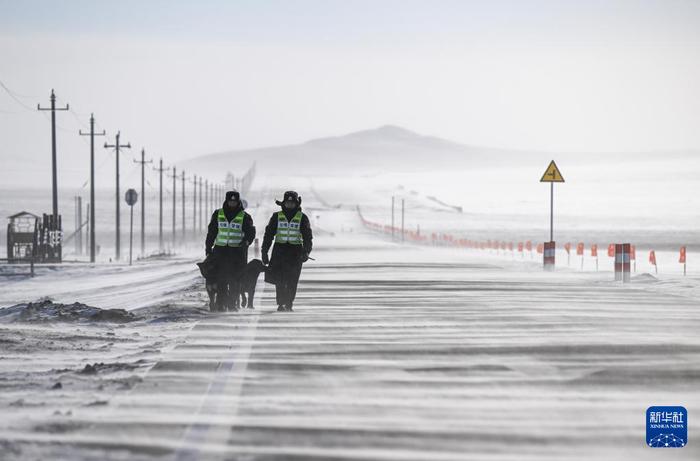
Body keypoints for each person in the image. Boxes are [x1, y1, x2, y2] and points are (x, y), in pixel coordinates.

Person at [262, 191, 313, 311]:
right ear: (283, 203)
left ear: (296, 203)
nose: (289, 205)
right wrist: (264, 251)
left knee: (292, 280)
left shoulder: (302, 218)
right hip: (279, 251)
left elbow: (308, 237)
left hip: (296, 253)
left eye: (292, 202)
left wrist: (306, 252)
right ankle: (281, 303)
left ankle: (289, 302)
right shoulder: (276, 217)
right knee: (279, 279)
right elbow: (268, 235)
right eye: (288, 202)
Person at [205, 190, 255, 311]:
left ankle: (232, 304)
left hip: (237, 252)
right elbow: (212, 232)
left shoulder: (245, 216)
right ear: (226, 201)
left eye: (234, 201)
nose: (232, 203)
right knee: (221, 279)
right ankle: (221, 304)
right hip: (220, 251)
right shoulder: (218, 214)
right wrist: (208, 247)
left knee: (235, 280)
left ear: (238, 202)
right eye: (230, 201)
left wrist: (246, 242)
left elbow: (251, 232)